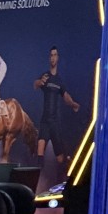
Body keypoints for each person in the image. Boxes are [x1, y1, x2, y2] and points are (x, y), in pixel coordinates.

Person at [34, 46, 82, 175]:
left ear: (58, 58)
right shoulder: (45, 76)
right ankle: (37, 181)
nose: (52, 57)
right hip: (45, 121)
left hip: (55, 124)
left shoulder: (59, 81)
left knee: (60, 159)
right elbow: (36, 84)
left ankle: (64, 179)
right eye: (51, 55)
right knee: (40, 151)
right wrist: (40, 82)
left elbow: (66, 97)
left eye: (54, 55)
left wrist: (73, 104)